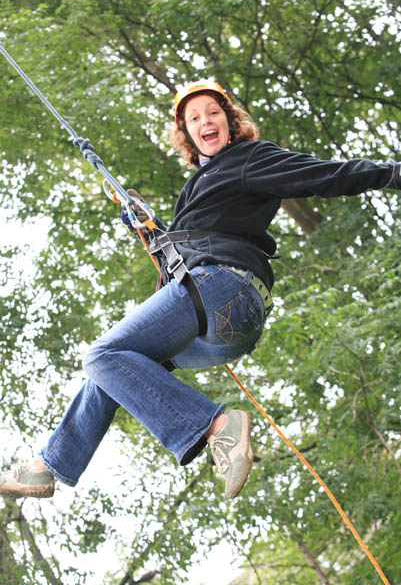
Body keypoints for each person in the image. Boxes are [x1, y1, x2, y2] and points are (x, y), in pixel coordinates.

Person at [1, 80, 400, 502]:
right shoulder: (197, 188)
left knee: (101, 354)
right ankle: (48, 465)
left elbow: (321, 174)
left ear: (230, 122)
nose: (205, 121)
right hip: (228, 326)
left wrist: (392, 173)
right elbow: (194, 244)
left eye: (213, 113)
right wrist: (153, 231)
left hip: (224, 288)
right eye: (194, 119)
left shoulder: (247, 158)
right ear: (186, 135)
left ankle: (214, 427)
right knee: (113, 370)